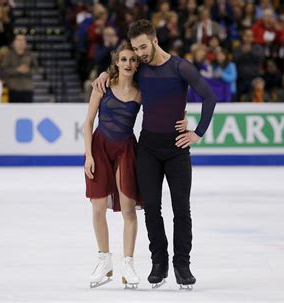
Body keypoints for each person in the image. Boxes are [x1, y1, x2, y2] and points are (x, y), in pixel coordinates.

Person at [93, 19, 217, 290]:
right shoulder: (141, 70)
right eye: (135, 49)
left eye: (142, 47)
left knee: (181, 210)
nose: (138, 54)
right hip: (147, 148)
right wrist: (104, 74)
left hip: (177, 149)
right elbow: (119, 73)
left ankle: (182, 265)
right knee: (151, 209)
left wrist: (197, 132)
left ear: (155, 40)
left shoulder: (180, 67)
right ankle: (158, 263)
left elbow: (209, 97)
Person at [84, 41, 188, 289]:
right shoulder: (103, 85)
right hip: (99, 148)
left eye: (133, 60)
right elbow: (88, 122)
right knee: (98, 207)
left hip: (126, 150)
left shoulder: (143, 91)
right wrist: (88, 155)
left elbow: (167, 105)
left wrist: (183, 117)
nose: (128, 64)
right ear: (116, 62)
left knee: (129, 209)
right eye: (123, 59)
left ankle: (127, 263)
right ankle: (104, 260)